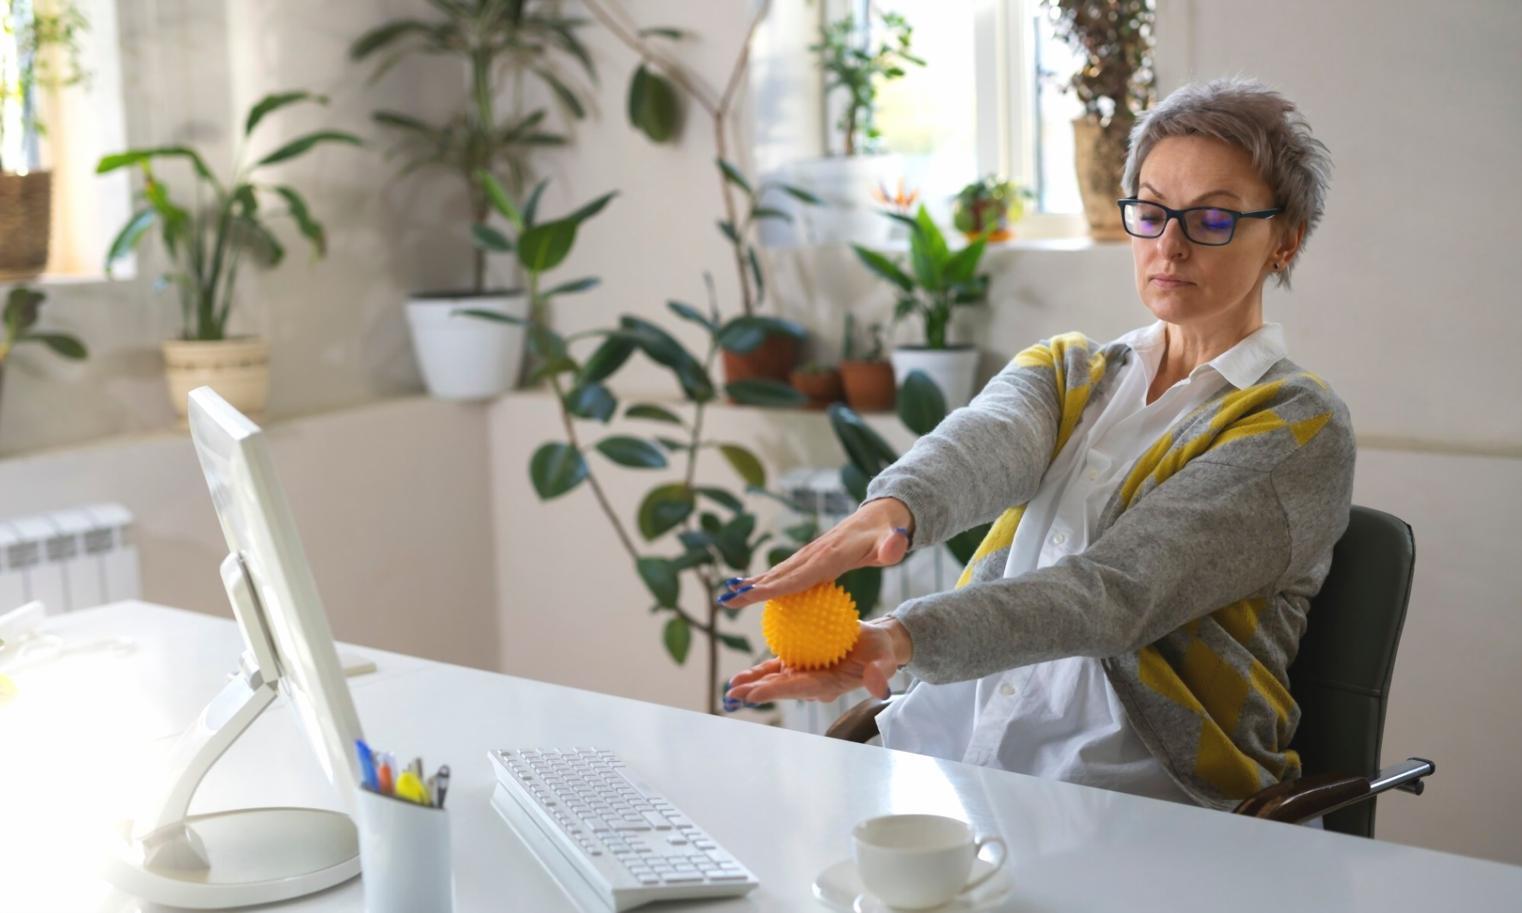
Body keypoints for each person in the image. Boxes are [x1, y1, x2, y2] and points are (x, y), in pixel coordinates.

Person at [721, 77, 1352, 811]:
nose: (1169, 244)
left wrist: (898, 637)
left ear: (1285, 239)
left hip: (1132, 796)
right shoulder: (1071, 371)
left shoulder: (1299, 428)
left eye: (1212, 217)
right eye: (1150, 212)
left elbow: (1116, 593)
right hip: (945, 757)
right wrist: (885, 514)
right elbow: (982, 444)